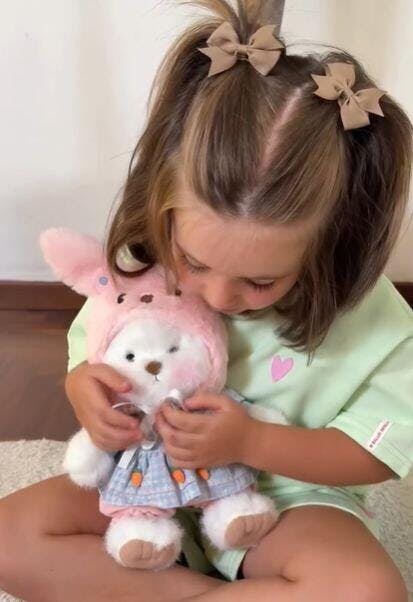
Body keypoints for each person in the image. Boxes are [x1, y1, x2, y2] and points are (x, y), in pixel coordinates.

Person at [0, 1, 412, 600]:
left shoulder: (375, 322)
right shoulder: (142, 274)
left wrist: (251, 444)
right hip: (138, 486)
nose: (219, 296)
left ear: (333, 247)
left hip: (285, 500)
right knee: (7, 536)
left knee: (368, 591)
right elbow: (97, 355)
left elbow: (377, 452)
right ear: (160, 207)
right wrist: (83, 391)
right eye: (193, 262)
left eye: (261, 282)